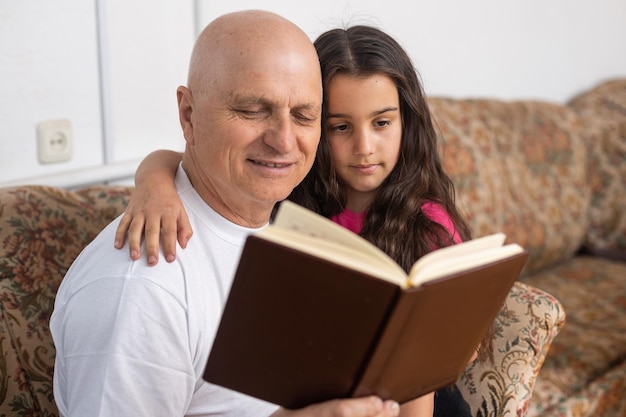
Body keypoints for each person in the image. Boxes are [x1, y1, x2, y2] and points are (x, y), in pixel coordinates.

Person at [114, 24, 483, 417]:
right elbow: (178, 155)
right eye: (340, 127)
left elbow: (446, 351)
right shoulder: (290, 191)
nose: (364, 148)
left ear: (406, 123)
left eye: (382, 123)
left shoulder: (426, 222)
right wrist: (153, 184)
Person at [50, 10, 403, 417]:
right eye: (253, 110)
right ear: (189, 115)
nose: (284, 141)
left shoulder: (290, 225)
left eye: (305, 116)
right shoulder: (141, 286)